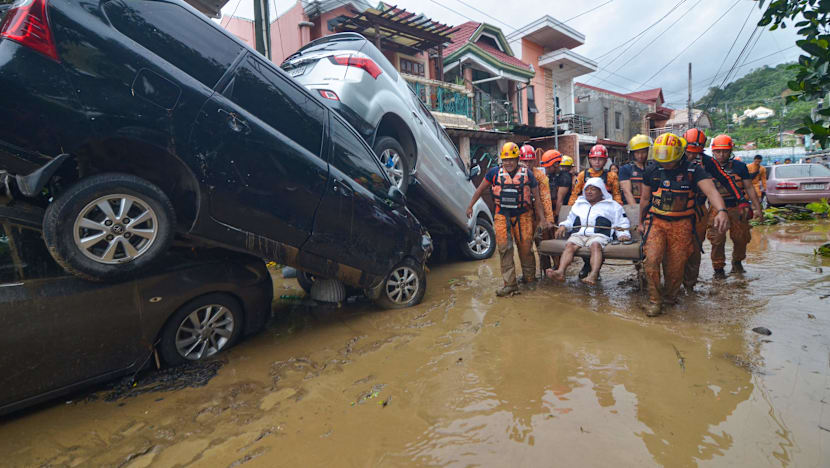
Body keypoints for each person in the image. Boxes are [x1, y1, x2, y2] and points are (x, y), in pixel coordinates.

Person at [638, 133, 730, 317]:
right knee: (652, 260)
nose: (665, 165)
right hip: (656, 222)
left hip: (682, 224)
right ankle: (655, 300)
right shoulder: (652, 170)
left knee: (675, 267)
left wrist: (721, 210)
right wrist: (640, 222)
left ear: (679, 154)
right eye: (662, 160)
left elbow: (711, 192)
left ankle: (671, 299)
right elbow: (645, 198)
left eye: (669, 161)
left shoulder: (693, 170)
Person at [467, 142, 552, 296]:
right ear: (502, 160)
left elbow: (537, 199)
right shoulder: (493, 173)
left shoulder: (528, 175)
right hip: (501, 215)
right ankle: (510, 284)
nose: (509, 162)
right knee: (505, 249)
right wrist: (470, 206)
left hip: (524, 215)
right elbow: (480, 189)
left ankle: (529, 279)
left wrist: (542, 219)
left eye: (512, 159)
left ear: (517, 159)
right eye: (506, 159)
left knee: (526, 248)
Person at [681, 128, 749, 291]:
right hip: (674, 211)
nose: (691, 157)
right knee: (678, 247)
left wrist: (741, 200)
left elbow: (726, 180)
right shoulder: (673, 158)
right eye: (689, 152)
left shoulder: (706, 163)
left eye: (695, 153)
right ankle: (672, 283)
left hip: (698, 209)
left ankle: (690, 286)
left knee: (696, 248)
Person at [546, 178, 630, 285]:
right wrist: (563, 226)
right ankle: (561, 272)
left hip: (598, 235)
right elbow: (570, 220)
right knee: (570, 245)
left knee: (595, 245)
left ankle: (593, 274)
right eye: (587, 189)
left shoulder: (613, 205)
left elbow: (621, 222)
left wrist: (623, 234)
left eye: (593, 189)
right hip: (579, 234)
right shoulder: (579, 204)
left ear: (601, 191)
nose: (589, 192)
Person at [706, 134, 763, 278]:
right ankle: (718, 269)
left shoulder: (740, 166)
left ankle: (737, 262)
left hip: (738, 208)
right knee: (717, 239)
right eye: (718, 151)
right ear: (713, 151)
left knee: (741, 238)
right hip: (717, 209)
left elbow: (749, 188)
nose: (721, 154)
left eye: (725, 151)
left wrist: (757, 208)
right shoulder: (707, 166)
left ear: (730, 151)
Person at [520, 144, 555, 279]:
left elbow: (546, 199)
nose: (527, 164)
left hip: (538, 217)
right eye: (525, 161)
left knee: (543, 248)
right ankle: (529, 277)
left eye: (530, 161)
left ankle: (547, 275)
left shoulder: (540, 176)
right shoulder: (513, 174)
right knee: (525, 248)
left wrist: (548, 220)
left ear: (534, 161)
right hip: (522, 218)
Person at [619, 134, 652, 206]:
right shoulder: (625, 169)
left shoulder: (652, 168)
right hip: (632, 208)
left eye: (643, 152)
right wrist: (636, 211)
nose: (640, 156)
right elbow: (627, 192)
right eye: (637, 152)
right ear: (633, 153)